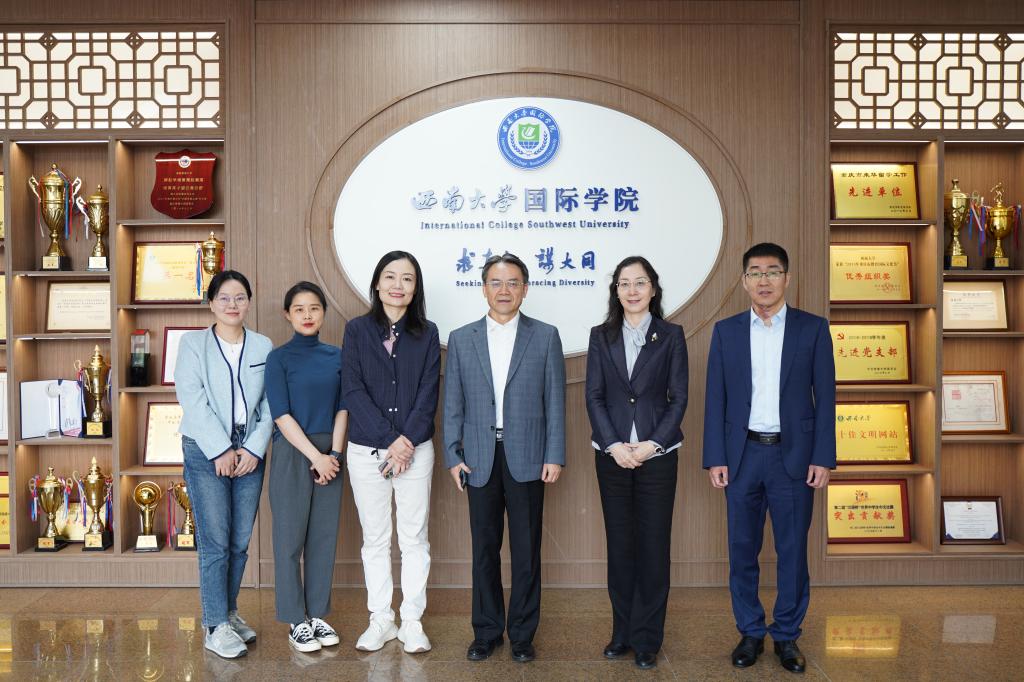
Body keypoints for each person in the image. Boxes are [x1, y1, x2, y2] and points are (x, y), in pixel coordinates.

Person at [702, 243, 836, 674]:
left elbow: (826, 397)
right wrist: (715, 457)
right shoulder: (726, 331)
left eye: (772, 272)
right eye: (755, 273)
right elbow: (716, 399)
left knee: (792, 551)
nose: (764, 280)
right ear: (744, 282)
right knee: (742, 549)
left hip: (792, 458)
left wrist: (823, 457)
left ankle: (787, 635)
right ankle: (750, 631)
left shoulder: (812, 329)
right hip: (741, 456)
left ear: (786, 279)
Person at [443, 252, 566, 664]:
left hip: (529, 455)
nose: (504, 290)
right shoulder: (462, 339)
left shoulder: (545, 336)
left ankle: (522, 635)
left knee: (527, 550)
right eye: (496, 282)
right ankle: (487, 631)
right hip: (479, 457)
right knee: (484, 548)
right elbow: (453, 404)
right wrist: (452, 455)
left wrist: (554, 454)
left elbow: (555, 402)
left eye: (513, 283)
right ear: (484, 288)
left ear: (525, 289)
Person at [584, 256, 688, 670]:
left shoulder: (671, 335)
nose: (632, 290)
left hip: (657, 458)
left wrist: (652, 444)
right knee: (621, 546)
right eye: (624, 283)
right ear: (616, 291)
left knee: (653, 547)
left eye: (640, 282)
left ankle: (647, 638)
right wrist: (613, 444)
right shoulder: (601, 336)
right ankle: (622, 632)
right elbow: (594, 396)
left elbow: (678, 398)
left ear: (653, 289)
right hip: (611, 457)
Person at [341, 251, 440, 655]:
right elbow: (352, 389)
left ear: (416, 289)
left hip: (415, 451)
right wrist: (389, 440)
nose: (398, 285)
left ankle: (412, 621)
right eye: (390, 277)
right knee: (376, 539)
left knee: (414, 538)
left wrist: (405, 442)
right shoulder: (356, 330)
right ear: (377, 284)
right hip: (367, 450)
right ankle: (381, 619)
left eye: (407, 279)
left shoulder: (427, 333)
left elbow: (429, 392)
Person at [175, 270, 273, 659]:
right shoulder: (193, 344)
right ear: (211, 303)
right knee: (215, 542)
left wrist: (254, 448)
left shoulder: (263, 345)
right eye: (224, 298)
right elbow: (191, 398)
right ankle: (215, 625)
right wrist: (219, 449)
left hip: (249, 450)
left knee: (239, 541)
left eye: (240, 298)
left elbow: (270, 403)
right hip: (205, 449)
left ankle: (229, 613)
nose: (233, 305)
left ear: (249, 302)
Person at [265, 281, 347, 653]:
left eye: (314, 308)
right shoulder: (278, 358)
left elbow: (344, 408)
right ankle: (295, 619)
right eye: (299, 309)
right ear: (288, 315)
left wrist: (335, 455)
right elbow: (280, 414)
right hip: (293, 452)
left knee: (323, 538)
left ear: (323, 313)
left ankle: (317, 615)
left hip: (331, 454)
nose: (307, 315)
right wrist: (315, 457)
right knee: (289, 538)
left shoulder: (338, 356)